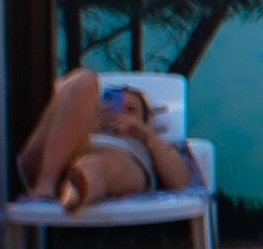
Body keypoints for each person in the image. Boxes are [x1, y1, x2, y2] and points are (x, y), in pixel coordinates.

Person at [16, 70, 201, 212]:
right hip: (54, 159)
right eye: (111, 105)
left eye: (131, 110)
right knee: (84, 79)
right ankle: (47, 183)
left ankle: (77, 187)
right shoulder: (86, 127)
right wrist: (85, 118)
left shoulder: (147, 143)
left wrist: (144, 132)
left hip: (119, 159)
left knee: (95, 164)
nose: (119, 112)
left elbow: (180, 183)